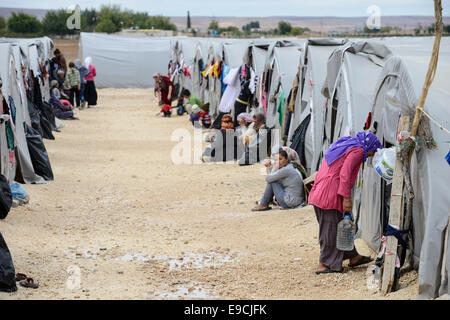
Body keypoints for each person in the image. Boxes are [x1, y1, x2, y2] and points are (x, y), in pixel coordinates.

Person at [308, 131, 383, 274]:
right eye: (373, 151)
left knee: (341, 225)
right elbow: (345, 173)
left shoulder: (345, 144)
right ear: (369, 146)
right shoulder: (358, 150)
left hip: (321, 190)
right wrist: (346, 198)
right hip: (331, 193)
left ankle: (353, 257)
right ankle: (324, 264)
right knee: (330, 230)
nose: (372, 155)